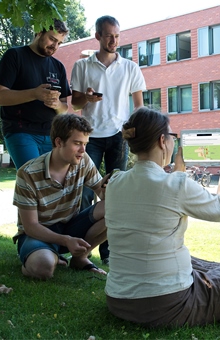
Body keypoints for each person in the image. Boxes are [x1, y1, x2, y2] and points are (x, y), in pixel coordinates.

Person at [104, 107, 220, 327]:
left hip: (117, 300)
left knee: (189, 259)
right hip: (168, 305)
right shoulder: (176, 184)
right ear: (163, 141)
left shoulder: (115, 182)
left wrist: (177, 172)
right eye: (172, 137)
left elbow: (153, 198)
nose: (173, 142)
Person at [71, 15, 146, 265]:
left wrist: (134, 129)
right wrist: (88, 99)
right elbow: (75, 102)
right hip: (89, 137)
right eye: (108, 36)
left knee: (115, 194)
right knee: (84, 192)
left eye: (117, 36)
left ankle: (109, 251)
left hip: (118, 136)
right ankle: (79, 249)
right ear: (98, 36)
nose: (113, 40)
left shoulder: (130, 67)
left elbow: (138, 105)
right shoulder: (82, 66)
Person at [13, 114, 109, 280]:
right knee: (43, 268)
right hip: (37, 234)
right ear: (58, 142)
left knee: (114, 207)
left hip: (70, 226)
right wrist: (65, 241)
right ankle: (43, 256)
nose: (83, 150)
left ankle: (80, 258)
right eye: (77, 143)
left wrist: (110, 189)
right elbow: (30, 226)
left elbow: (101, 193)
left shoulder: (83, 161)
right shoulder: (27, 173)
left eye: (85, 144)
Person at [0, 19, 72, 169]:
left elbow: (64, 108)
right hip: (21, 131)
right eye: (52, 39)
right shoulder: (15, 55)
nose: (55, 46)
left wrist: (57, 104)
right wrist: (34, 94)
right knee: (33, 179)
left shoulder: (58, 66)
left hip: (52, 134)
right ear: (38, 32)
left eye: (59, 43)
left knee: (51, 183)